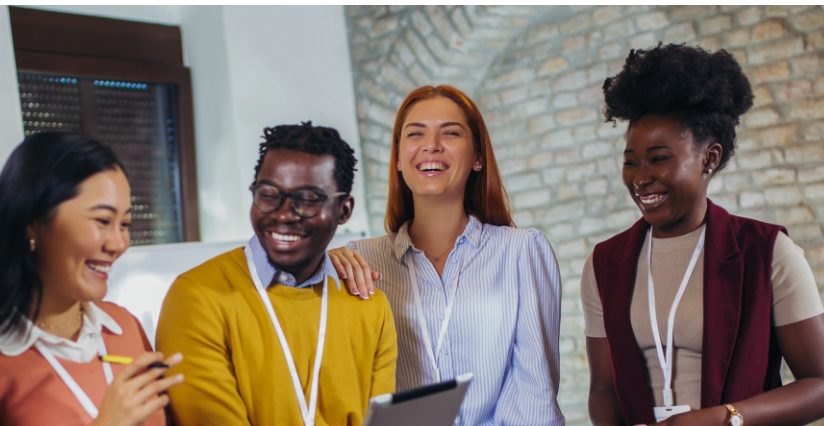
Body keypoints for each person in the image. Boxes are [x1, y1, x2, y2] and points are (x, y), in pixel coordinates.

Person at [583, 44, 824, 426]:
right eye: (630, 162)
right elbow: (603, 389)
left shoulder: (768, 252)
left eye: (659, 158)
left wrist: (722, 419)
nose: (641, 178)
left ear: (709, 159)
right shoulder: (605, 264)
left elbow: (819, 384)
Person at [327, 85, 564, 425]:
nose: (432, 145)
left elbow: (535, 394)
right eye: (415, 134)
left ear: (478, 157)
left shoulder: (522, 251)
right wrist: (321, 270)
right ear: (397, 158)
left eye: (450, 133)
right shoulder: (359, 260)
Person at [155, 122, 397, 425]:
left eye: (308, 199)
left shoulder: (370, 307)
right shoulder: (196, 298)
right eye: (269, 194)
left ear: (344, 210)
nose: (283, 214)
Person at [0, 131, 182, 426]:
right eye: (102, 221)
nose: (119, 243)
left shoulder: (124, 327)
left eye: (125, 224)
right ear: (32, 222)